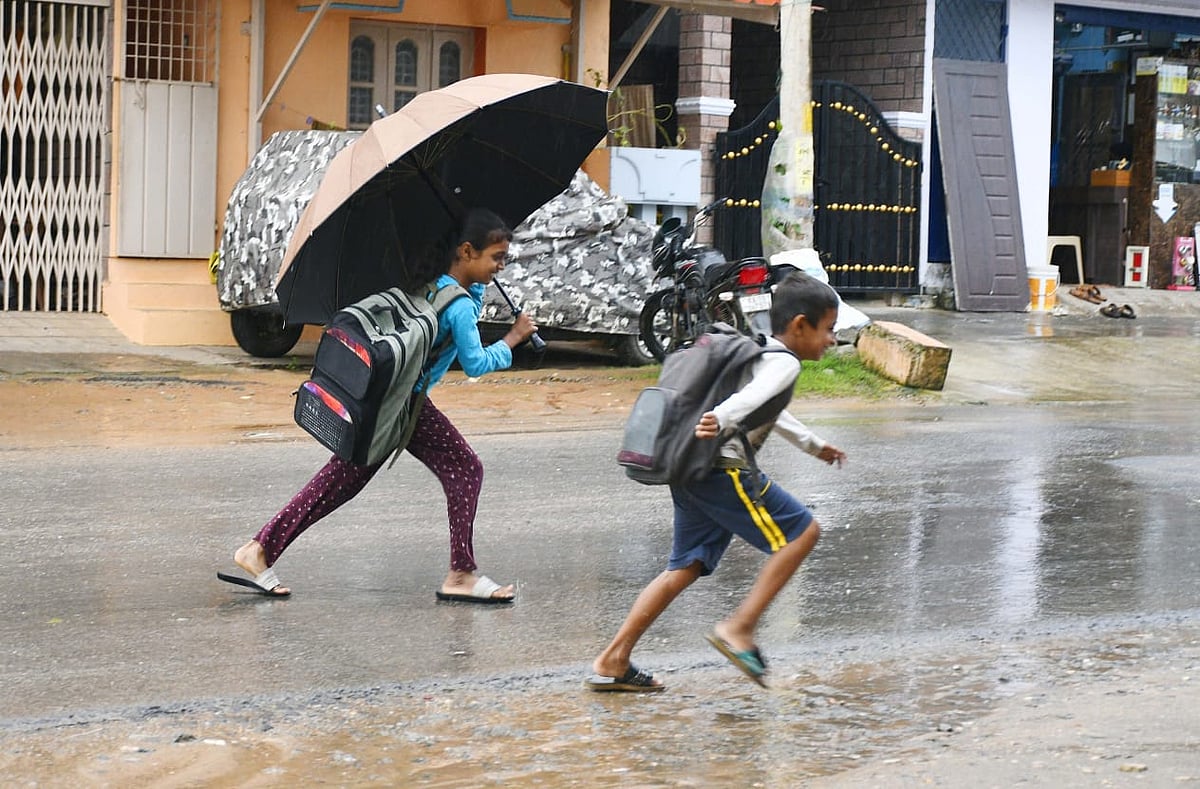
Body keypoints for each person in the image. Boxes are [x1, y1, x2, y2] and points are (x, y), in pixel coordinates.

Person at [219, 208, 536, 603]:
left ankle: (260, 548)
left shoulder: (432, 282)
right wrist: (512, 339)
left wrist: (474, 292)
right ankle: (461, 572)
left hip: (385, 398)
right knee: (464, 467)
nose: (501, 267)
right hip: (405, 406)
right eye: (496, 257)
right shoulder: (459, 306)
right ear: (467, 251)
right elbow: (474, 363)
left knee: (340, 481)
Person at [586, 272, 847, 691]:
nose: (831, 340)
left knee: (684, 566)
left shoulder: (759, 356)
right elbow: (749, 402)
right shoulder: (784, 362)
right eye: (828, 329)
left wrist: (815, 446)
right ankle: (740, 628)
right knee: (802, 533)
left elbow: (770, 409)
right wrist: (722, 417)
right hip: (723, 470)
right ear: (800, 325)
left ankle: (613, 659)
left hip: (692, 470)